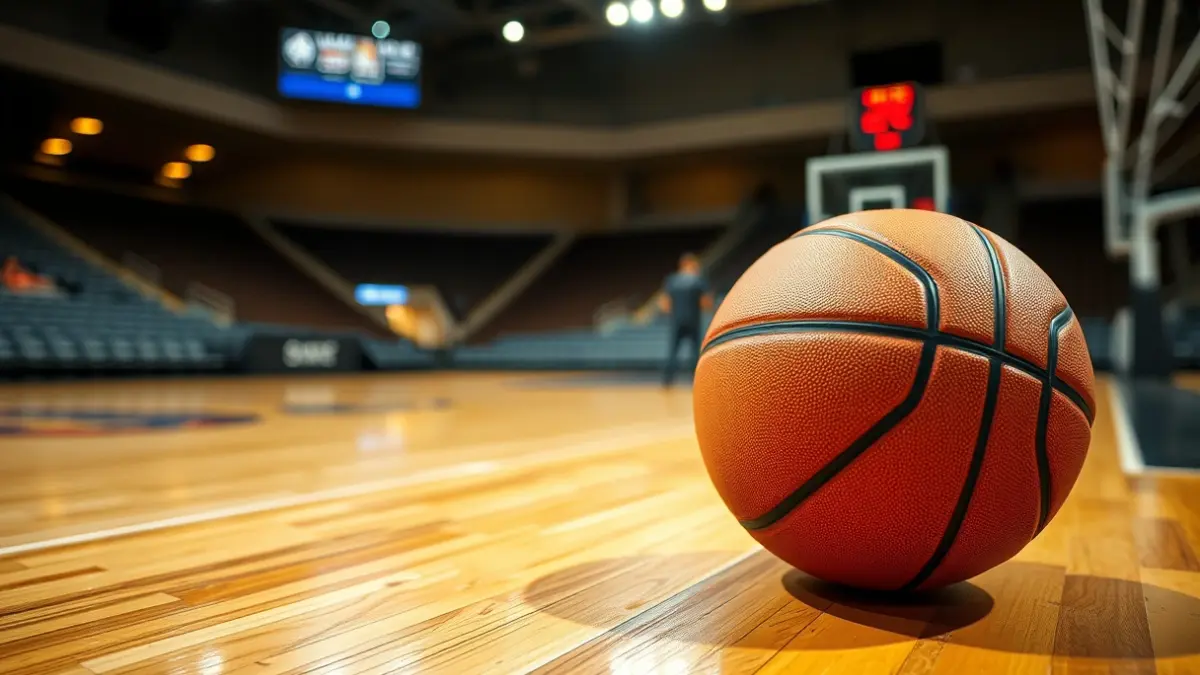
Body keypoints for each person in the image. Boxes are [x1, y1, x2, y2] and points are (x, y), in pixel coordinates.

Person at [658, 252, 713, 386]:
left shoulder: (672, 280)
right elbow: (706, 303)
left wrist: (676, 312)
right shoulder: (698, 281)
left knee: (673, 351)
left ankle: (667, 380)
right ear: (692, 265)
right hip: (693, 320)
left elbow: (664, 305)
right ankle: (696, 381)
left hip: (677, 321)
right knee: (695, 352)